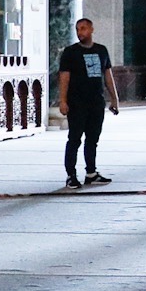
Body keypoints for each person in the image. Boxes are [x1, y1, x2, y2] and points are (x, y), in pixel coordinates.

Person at [56, 18, 120, 189]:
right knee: (74, 139)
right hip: (77, 103)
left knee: (92, 139)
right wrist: (63, 100)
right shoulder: (71, 52)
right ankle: (71, 175)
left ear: (91, 29)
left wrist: (114, 98)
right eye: (77, 29)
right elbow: (64, 77)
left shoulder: (101, 50)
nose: (80, 32)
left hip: (96, 102)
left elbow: (107, 75)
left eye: (83, 28)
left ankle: (91, 173)